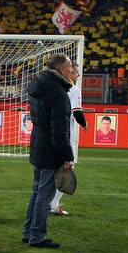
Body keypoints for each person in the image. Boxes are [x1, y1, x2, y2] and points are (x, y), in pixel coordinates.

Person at [22, 54, 76, 248]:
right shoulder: (59, 93)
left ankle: (28, 232)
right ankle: (37, 236)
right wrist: (67, 156)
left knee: (37, 191)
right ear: (61, 70)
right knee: (44, 195)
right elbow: (59, 131)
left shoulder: (39, 85)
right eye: (70, 67)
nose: (72, 71)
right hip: (50, 149)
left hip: (38, 143)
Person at [50, 67, 85, 216]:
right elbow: (77, 112)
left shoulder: (52, 87)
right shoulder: (74, 90)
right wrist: (84, 123)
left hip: (49, 134)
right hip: (65, 136)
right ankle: (53, 203)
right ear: (70, 72)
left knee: (49, 171)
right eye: (76, 72)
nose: (78, 75)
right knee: (66, 168)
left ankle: (45, 203)